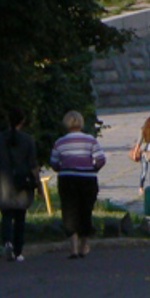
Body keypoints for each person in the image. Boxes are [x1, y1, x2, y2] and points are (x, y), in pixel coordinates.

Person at [49, 110, 105, 259]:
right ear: (81, 123)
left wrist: (62, 168)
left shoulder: (60, 142)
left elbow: (54, 162)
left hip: (67, 179)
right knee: (86, 210)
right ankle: (83, 245)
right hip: (87, 179)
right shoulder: (90, 140)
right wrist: (93, 169)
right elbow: (101, 159)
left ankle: (73, 247)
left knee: (69, 211)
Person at [0, 107, 39, 262]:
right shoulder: (28, 140)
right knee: (20, 216)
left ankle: (7, 242)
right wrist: (38, 185)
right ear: (22, 122)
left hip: (3, 181)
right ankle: (18, 250)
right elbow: (33, 165)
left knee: (6, 215)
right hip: (22, 182)